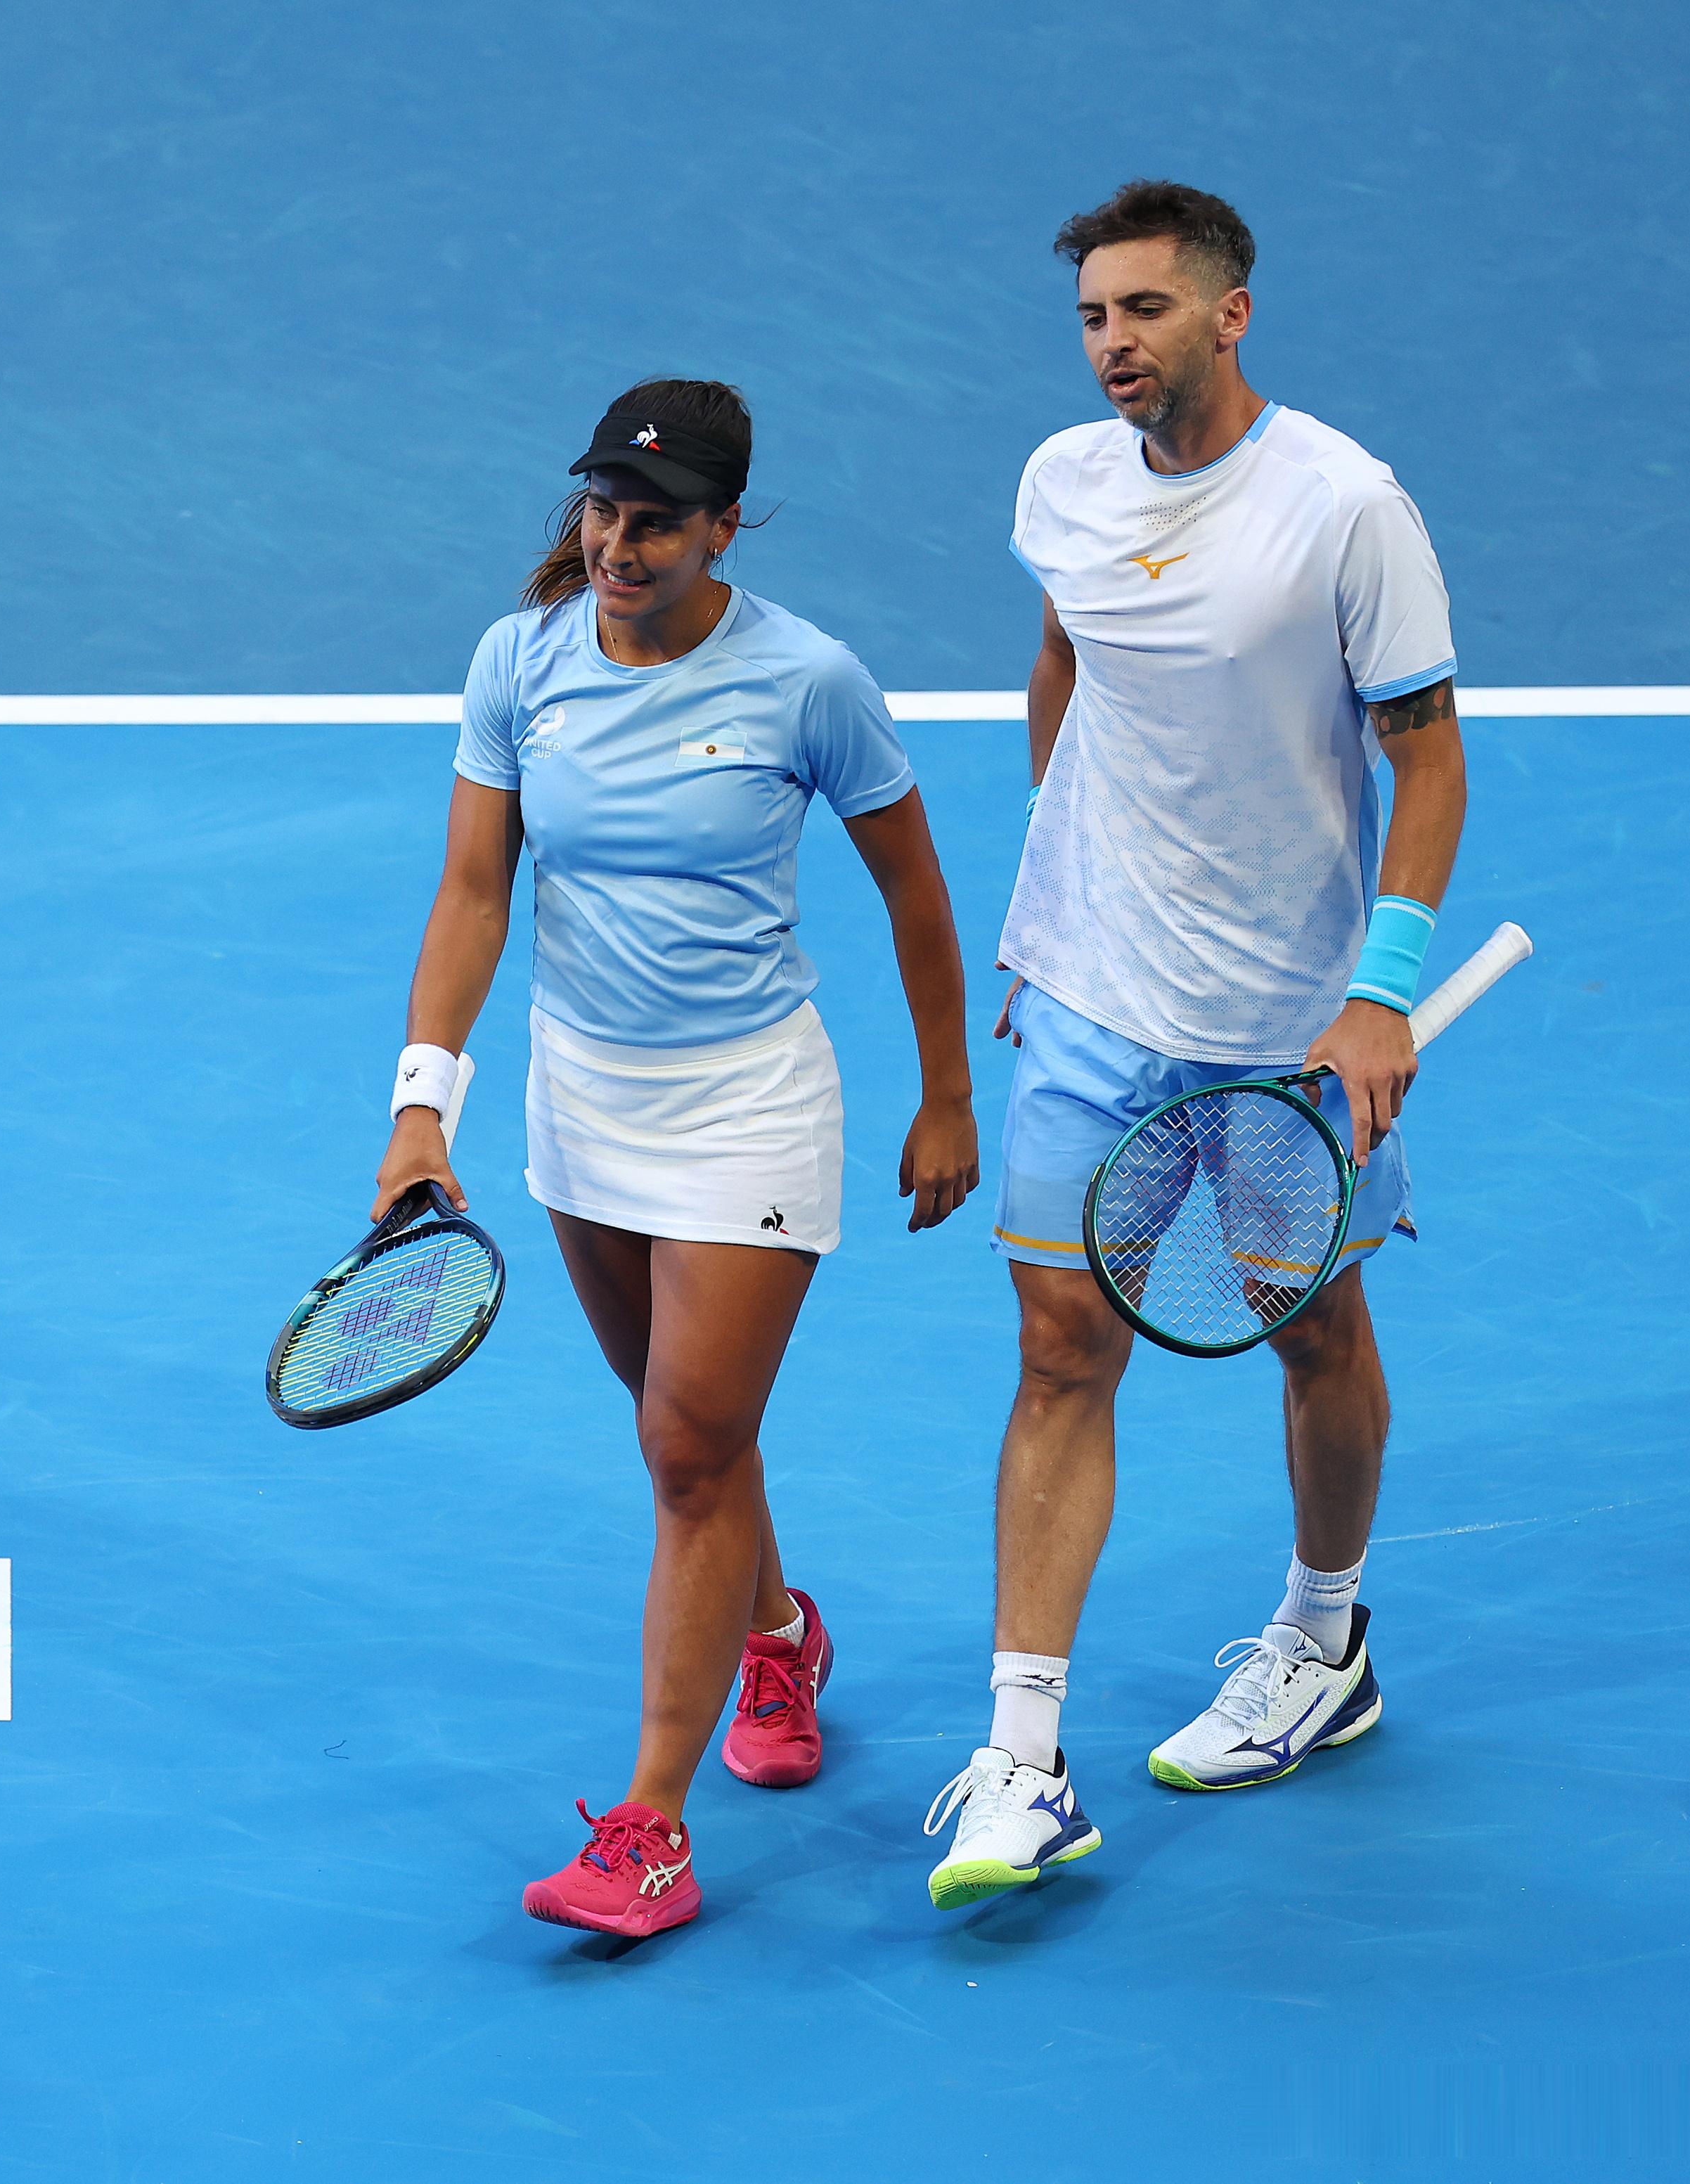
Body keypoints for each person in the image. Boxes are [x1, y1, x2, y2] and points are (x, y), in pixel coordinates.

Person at [924, 181, 1469, 1908]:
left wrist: (1378, 989)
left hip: (1280, 1022)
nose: (1112, 343)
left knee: (1309, 1328)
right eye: (1092, 314)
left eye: (1143, 309)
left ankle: (1322, 1638)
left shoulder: (1344, 505)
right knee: (1058, 1343)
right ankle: (1021, 1755)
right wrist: (1050, 893)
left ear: (1228, 314)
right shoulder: (1060, 482)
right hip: (1091, 996)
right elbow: (1062, 661)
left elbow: (1426, 753)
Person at [382, 378, 981, 1939]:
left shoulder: (807, 679)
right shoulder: (520, 662)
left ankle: (649, 1827)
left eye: (655, 523)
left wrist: (945, 1096)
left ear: (725, 530)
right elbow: (472, 893)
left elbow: (916, 892)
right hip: (580, 1103)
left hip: (746, 1109)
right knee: (683, 1432)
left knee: (688, 1451)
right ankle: (776, 1633)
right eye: (602, 512)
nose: (617, 546)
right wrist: (421, 1102)